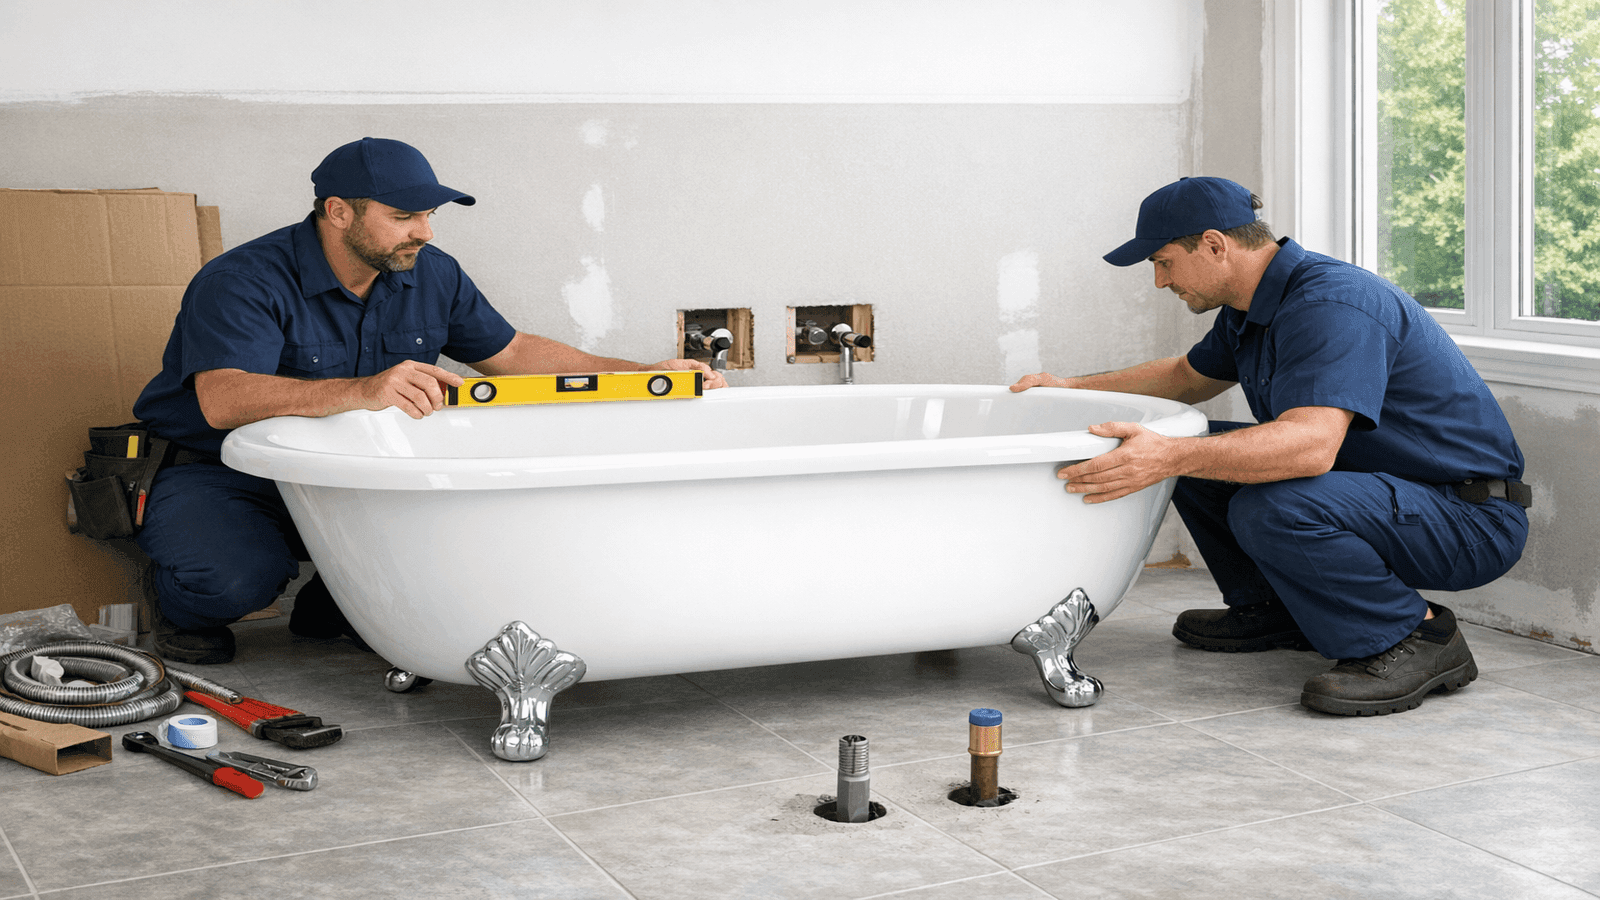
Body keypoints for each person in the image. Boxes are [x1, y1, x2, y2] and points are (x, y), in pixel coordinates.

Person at [132, 137, 725, 665]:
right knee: (230, 582)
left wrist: (647, 373)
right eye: (403, 215)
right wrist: (364, 390)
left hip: (364, 475)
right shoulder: (243, 279)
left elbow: (514, 354)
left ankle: (335, 602)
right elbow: (223, 399)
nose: (425, 230)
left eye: (428, 214)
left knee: (470, 565)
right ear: (338, 212)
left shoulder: (431, 273)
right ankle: (187, 606)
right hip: (230, 472)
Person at [1010, 176, 1530, 716]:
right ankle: (1277, 608)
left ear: (1214, 245)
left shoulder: (1331, 303)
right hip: (1387, 497)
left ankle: (1414, 639)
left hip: (1467, 517)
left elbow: (1309, 449)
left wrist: (1166, 454)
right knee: (1192, 447)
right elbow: (1187, 378)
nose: (1160, 281)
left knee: (1258, 497)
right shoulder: (1250, 307)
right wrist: (1071, 388)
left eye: (1163, 262)